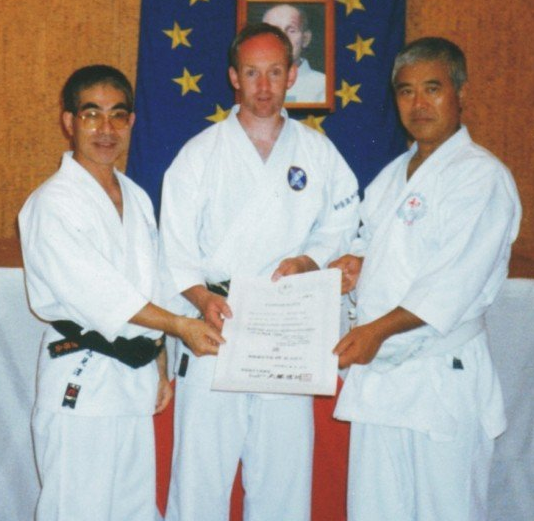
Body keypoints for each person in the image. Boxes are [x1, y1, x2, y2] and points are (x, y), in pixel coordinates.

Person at [159, 23, 359, 521]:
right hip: (216, 324)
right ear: (234, 77)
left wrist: (309, 260)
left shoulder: (317, 152)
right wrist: (201, 298)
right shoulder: (199, 154)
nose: (264, 86)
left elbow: (343, 223)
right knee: (200, 480)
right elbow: (174, 251)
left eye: (274, 72)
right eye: (252, 73)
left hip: (286, 330)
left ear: (292, 75)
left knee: (283, 483)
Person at [18, 65, 223, 521]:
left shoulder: (136, 197)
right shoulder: (52, 204)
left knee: (133, 511)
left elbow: (156, 281)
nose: (106, 129)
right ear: (69, 122)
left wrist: (161, 359)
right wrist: (179, 326)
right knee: (76, 510)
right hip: (83, 380)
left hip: (133, 382)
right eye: (92, 114)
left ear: (131, 122)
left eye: (117, 115)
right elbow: (99, 293)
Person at [330, 37, 522, 521]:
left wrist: (375, 331)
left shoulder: (481, 177)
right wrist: (357, 263)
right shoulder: (393, 175)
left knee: (446, 511)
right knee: (374, 510)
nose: (418, 104)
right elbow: (375, 242)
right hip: (381, 381)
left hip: (440, 377)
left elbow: (451, 282)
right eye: (406, 91)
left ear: (461, 92)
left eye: (432, 89)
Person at [262, 3, 326, 103]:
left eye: (291, 30)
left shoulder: (324, 86)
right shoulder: (247, 83)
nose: (283, 38)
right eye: (273, 31)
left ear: (305, 39)